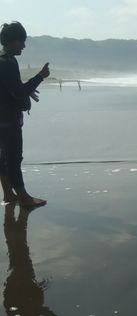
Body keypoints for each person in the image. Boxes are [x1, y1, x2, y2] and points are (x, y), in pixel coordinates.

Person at [0, 22, 50, 207]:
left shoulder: (3, 59)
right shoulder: (7, 63)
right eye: (22, 42)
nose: (24, 46)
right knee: (13, 158)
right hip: (8, 121)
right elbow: (17, 92)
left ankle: (8, 194)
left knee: (4, 158)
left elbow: (10, 88)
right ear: (13, 41)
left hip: (2, 120)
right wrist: (40, 77)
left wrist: (26, 90)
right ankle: (24, 198)